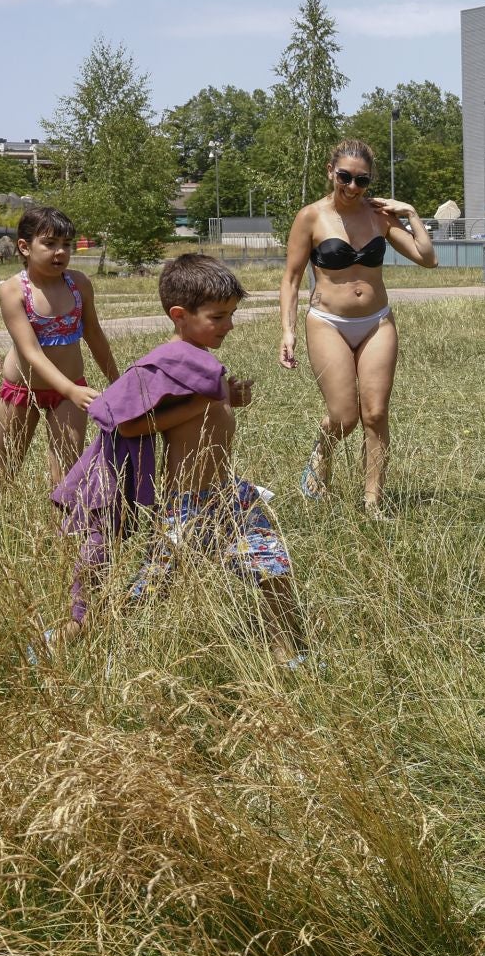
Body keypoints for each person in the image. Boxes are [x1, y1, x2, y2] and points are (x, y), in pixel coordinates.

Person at [52, 254, 302, 659]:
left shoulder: (194, 357)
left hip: (226, 492)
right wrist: (211, 401)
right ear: (179, 315)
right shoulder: (163, 361)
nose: (229, 326)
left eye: (231, 315)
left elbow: (201, 406)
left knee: (273, 568)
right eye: (218, 317)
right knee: (150, 590)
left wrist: (227, 399)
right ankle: (65, 640)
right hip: (187, 502)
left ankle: (287, 654)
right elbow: (123, 421)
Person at [277, 138, 439, 513]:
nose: (352, 187)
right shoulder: (311, 217)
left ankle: (372, 502)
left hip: (377, 322)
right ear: (330, 172)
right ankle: (322, 452)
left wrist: (411, 213)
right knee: (344, 415)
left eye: (361, 181)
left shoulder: (380, 215)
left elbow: (426, 258)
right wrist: (287, 330)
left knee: (376, 413)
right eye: (345, 177)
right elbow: (291, 278)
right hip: (327, 322)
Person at [0, 206, 121, 526]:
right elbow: (31, 352)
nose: (60, 252)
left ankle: (65, 545)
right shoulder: (12, 290)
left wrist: (117, 381)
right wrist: (71, 388)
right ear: (25, 247)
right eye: (50, 243)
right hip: (22, 391)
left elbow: (94, 335)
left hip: (68, 396)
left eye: (66, 243)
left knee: (67, 474)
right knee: (5, 467)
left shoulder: (78, 284)